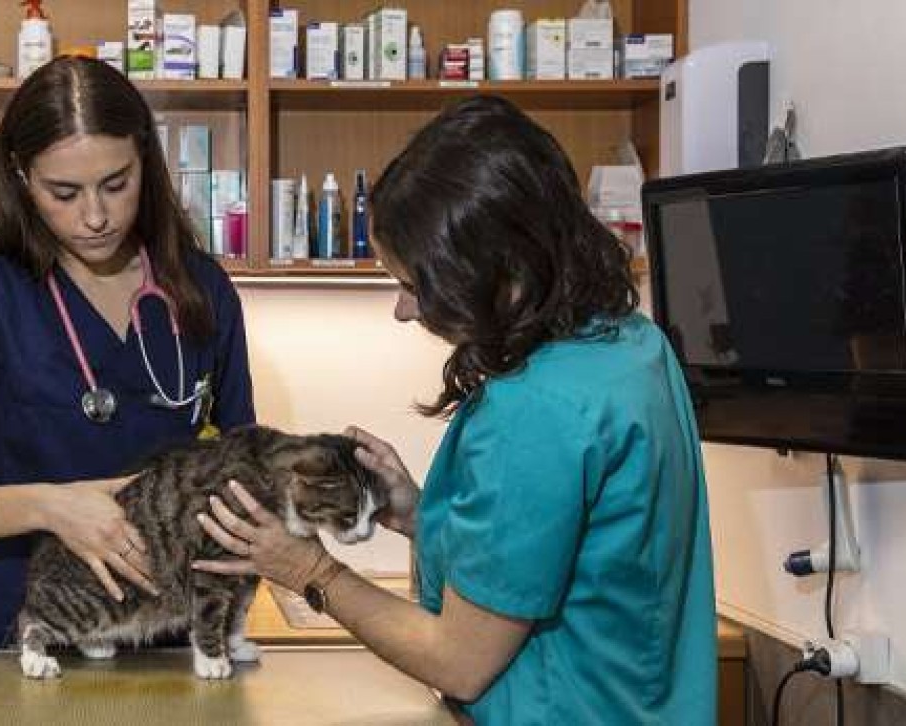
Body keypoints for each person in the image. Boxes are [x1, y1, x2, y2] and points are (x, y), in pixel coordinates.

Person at [193, 95, 717, 724]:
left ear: (507, 274)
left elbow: (458, 660)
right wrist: (417, 514)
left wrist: (308, 568)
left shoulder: (539, 408)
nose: (404, 311)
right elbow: (555, 554)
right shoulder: (633, 345)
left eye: (416, 286)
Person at [0, 56, 255, 649]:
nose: (95, 216)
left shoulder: (199, 290)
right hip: (12, 645)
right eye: (63, 192)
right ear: (22, 178)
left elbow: (240, 470)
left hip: (165, 648)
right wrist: (50, 507)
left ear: (145, 160)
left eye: (116, 184)